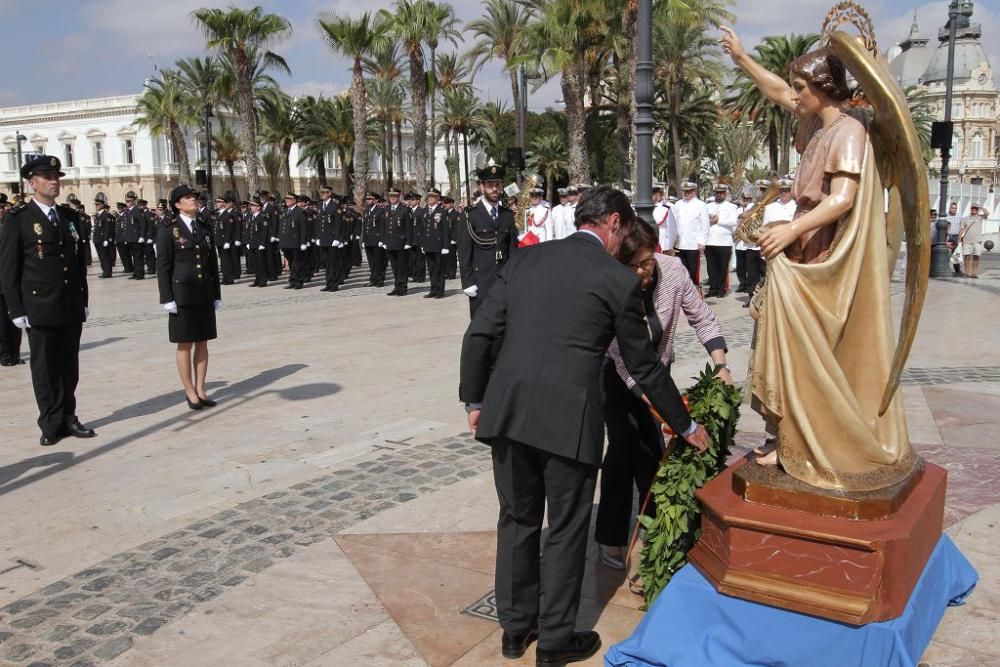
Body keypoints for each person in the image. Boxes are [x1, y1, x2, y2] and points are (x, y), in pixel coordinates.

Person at [460, 186, 708, 665]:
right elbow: (645, 366)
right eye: (624, 232)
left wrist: (475, 399)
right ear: (613, 222)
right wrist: (685, 423)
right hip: (569, 421)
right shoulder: (616, 282)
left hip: (508, 412)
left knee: (516, 520)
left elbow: (480, 334)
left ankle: (514, 630)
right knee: (567, 529)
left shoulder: (525, 260)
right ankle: (554, 641)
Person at [721, 28, 920, 490]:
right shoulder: (817, 123)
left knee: (805, 344)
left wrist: (792, 227)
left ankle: (810, 438)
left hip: (826, 249)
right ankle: (784, 434)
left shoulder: (849, 130)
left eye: (800, 88)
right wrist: (743, 58)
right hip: (803, 242)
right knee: (778, 334)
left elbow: (843, 199)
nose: (793, 96)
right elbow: (775, 90)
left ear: (822, 90)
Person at [597, 221, 730, 569]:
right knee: (625, 445)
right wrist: (664, 411)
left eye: (647, 263)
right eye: (634, 266)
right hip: (618, 376)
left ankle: (657, 533)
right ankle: (610, 537)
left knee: (654, 452)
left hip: (658, 372)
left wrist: (720, 365)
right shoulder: (611, 282)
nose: (642, 272)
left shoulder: (672, 269)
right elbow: (625, 362)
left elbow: (702, 317)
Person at [0, 156, 96, 445]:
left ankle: (69, 416)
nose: (54, 181)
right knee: (44, 367)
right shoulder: (19, 219)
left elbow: (79, 264)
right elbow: (8, 268)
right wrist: (15, 309)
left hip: (69, 303)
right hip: (38, 305)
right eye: (47, 177)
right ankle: (51, 422)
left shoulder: (69, 217)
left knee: (69, 365)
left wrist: (84, 299)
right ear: (32, 182)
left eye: (56, 176)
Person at [156, 184, 222, 410]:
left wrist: (216, 294)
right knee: (184, 345)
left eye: (194, 197)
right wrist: (167, 298)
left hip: (203, 293)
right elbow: (163, 266)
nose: (193, 200)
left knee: (202, 343)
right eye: (187, 197)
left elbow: (212, 262)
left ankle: (201, 388)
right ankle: (189, 391)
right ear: (177, 204)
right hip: (181, 295)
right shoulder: (168, 228)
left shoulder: (204, 227)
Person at [455, 163, 519, 318]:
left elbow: (512, 251)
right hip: (480, 282)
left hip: (503, 282)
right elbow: (464, 252)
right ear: (482, 187)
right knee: (481, 330)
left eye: (498, 185)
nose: (495, 189)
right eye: (490, 185)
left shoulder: (507, 215)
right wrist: (467, 282)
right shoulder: (470, 215)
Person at [665, 181, 709, 287]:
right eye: (685, 191)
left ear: (694, 191)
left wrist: (702, 242)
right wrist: (671, 241)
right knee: (681, 271)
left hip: (692, 244)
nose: (686, 193)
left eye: (689, 191)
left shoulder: (701, 205)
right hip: (679, 244)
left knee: (692, 271)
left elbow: (705, 225)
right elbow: (672, 223)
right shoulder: (678, 204)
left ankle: (692, 293)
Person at [0, 192, 25, 367]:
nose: (3, 210)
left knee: (14, 319)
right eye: (0, 208)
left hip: (11, 282)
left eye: (4, 207)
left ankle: (14, 353)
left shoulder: (11, 226)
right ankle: (5, 354)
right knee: (1, 322)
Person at [704, 183, 739, 297]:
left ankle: (721, 289)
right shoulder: (707, 206)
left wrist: (719, 220)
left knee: (722, 267)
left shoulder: (731, 206)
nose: (719, 195)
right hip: (709, 241)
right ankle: (712, 289)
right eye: (717, 193)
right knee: (711, 267)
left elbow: (733, 221)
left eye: (721, 193)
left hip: (724, 242)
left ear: (725, 193)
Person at [421, 188, 450, 298]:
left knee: (439, 269)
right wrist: (423, 245)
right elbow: (423, 229)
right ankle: (433, 289)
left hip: (439, 245)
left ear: (437, 199)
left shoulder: (442, 211)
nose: (430, 199)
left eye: (432, 197)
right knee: (431, 269)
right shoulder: (425, 211)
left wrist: (446, 246)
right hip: (428, 245)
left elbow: (446, 230)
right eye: (429, 197)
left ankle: (440, 291)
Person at [383, 188, 412, 296]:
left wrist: (408, 242)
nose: (392, 198)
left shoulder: (405, 209)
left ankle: (403, 288)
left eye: (394, 196)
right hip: (390, 242)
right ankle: (396, 286)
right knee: (394, 267)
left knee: (402, 267)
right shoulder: (386, 209)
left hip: (401, 242)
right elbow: (384, 226)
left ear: (399, 196)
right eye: (390, 196)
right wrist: (383, 241)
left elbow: (409, 228)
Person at [278, 192, 309, 290]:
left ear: (294, 200)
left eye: (289, 199)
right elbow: (282, 227)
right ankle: (292, 281)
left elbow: (304, 228)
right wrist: (281, 241)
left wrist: (303, 242)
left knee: (297, 263)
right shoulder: (285, 211)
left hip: (296, 242)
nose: (287, 201)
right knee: (291, 264)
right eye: (286, 199)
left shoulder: (299, 211)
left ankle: (299, 281)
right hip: (286, 243)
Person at [361, 191, 387, 287]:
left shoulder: (380, 211)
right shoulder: (366, 211)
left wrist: (381, 240)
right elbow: (364, 227)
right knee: (371, 262)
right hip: (368, 240)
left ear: (376, 200)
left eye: (370, 199)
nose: (368, 201)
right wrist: (363, 240)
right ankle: (373, 279)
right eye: (367, 199)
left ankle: (380, 280)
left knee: (378, 261)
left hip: (377, 240)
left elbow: (382, 227)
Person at [245, 197, 270, 287]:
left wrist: (263, 243)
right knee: (255, 264)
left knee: (261, 263)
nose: (251, 207)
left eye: (253, 205)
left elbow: (264, 231)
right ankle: (257, 279)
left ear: (259, 207)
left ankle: (263, 280)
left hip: (259, 244)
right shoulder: (251, 216)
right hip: (252, 244)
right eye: (251, 205)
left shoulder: (262, 217)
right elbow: (248, 230)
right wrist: (247, 242)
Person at [92, 196, 116, 278]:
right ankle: (104, 271)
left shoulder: (106, 215)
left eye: (98, 205)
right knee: (101, 257)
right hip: (97, 239)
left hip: (103, 240)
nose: (96, 206)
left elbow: (107, 228)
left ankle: (107, 272)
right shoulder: (98, 215)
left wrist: (106, 239)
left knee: (105, 256)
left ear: (102, 205)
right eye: (96, 205)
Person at [961, 204, 984, 279]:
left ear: (977, 210)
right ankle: (967, 273)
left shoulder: (980, 217)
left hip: (977, 240)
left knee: (976, 257)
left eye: (975, 209)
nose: (973, 210)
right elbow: (962, 229)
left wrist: (980, 207)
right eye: (972, 208)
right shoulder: (965, 218)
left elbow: (987, 213)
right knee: (967, 257)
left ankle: (974, 273)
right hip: (967, 240)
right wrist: (959, 238)